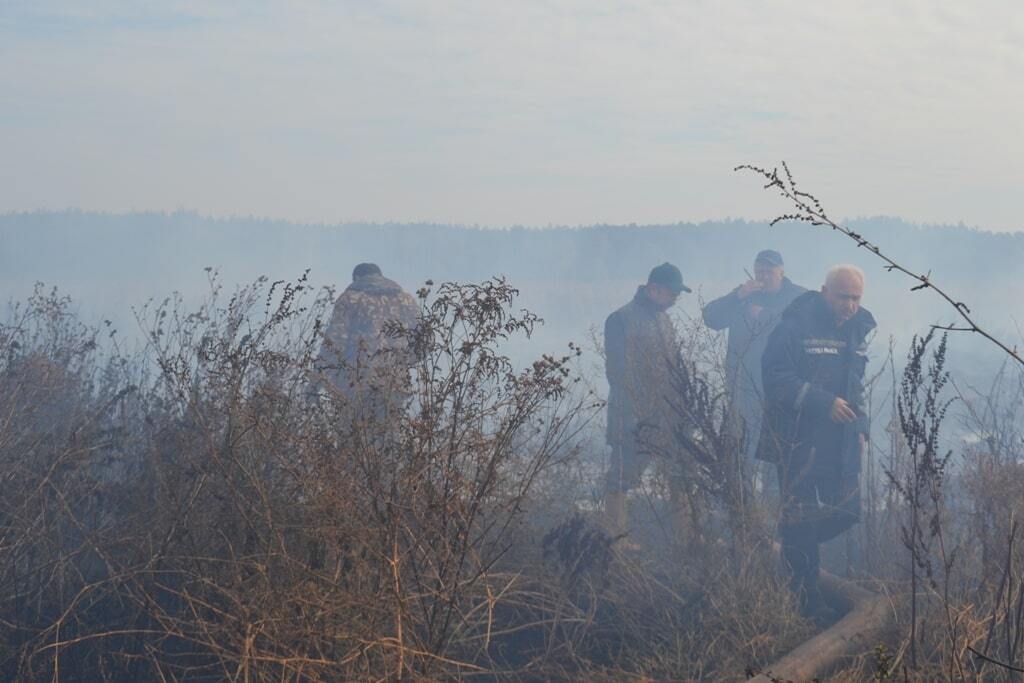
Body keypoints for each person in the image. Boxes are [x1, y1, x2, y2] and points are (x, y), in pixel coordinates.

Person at [757, 264, 876, 619]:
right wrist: (822, 402)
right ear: (825, 291)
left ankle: (793, 542)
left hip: (838, 442)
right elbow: (776, 379)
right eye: (844, 297)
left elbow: (855, 387)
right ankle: (805, 602)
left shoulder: (858, 328)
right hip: (796, 441)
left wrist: (861, 426)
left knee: (847, 512)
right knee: (802, 519)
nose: (850, 305)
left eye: (856, 298)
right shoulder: (793, 326)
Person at [603, 262, 691, 539]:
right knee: (620, 480)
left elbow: (674, 367)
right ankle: (614, 544)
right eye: (672, 292)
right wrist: (636, 418)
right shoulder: (620, 319)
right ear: (653, 289)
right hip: (634, 420)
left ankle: (686, 540)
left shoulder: (664, 318)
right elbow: (619, 374)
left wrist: (680, 409)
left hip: (669, 418)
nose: (676, 298)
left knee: (681, 477)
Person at [702, 250, 805, 463]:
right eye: (760, 272)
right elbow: (711, 318)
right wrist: (738, 295)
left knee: (777, 450)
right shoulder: (743, 296)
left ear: (781, 272)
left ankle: (774, 495)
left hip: (782, 386)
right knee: (743, 448)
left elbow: (804, 329)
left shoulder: (798, 297)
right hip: (743, 386)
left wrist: (764, 315)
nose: (764, 277)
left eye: (769, 272)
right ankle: (742, 493)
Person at [315, 263, 419, 412]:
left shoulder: (350, 298)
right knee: (390, 431)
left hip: (357, 380)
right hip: (396, 381)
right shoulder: (406, 300)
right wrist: (405, 361)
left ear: (356, 278)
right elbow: (423, 337)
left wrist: (318, 377)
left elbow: (334, 341)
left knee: (353, 430)